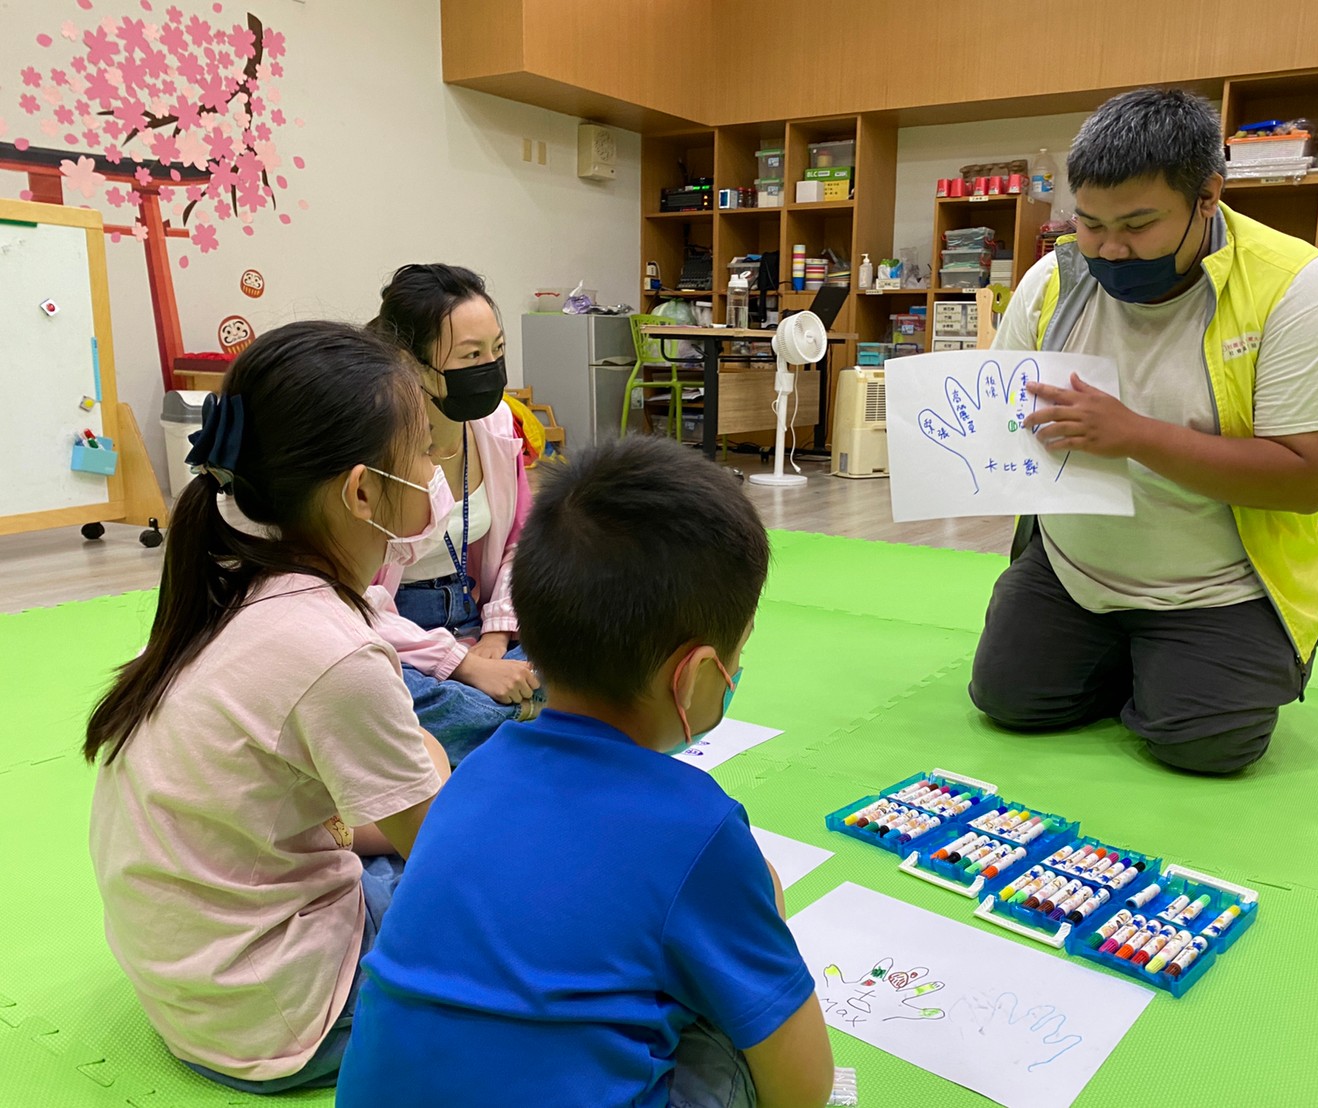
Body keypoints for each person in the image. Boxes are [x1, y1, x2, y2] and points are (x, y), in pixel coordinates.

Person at [336, 436, 835, 1108]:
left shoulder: (468, 778)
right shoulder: (698, 825)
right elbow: (805, 1088)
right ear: (692, 679)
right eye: (737, 654)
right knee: (723, 1029)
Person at [85, 322, 452, 1092]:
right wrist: (437, 769)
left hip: (196, 987)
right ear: (361, 490)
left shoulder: (230, 577)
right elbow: (456, 862)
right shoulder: (335, 649)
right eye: (422, 451)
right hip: (282, 1012)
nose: (434, 467)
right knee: (567, 944)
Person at [971, 88, 1318, 774]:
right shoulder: (1053, 282)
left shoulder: (1298, 289)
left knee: (1206, 749)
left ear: (1209, 195)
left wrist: (1133, 435)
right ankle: (1140, 659)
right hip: (1076, 566)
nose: (1110, 248)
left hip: (1220, 583)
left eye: (1139, 223)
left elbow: (1307, 479)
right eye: (1090, 223)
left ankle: (1187, 663)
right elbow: (1001, 414)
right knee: (1009, 702)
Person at [366, 263, 540, 766]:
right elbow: (349, 604)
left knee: (591, 651)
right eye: (471, 355)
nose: (490, 366)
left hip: (479, 615)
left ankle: (488, 744)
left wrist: (496, 631)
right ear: (411, 362)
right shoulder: (373, 442)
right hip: (394, 635)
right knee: (392, 697)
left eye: (498, 350)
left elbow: (519, 542)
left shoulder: (497, 424)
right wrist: (460, 663)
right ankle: (541, 734)